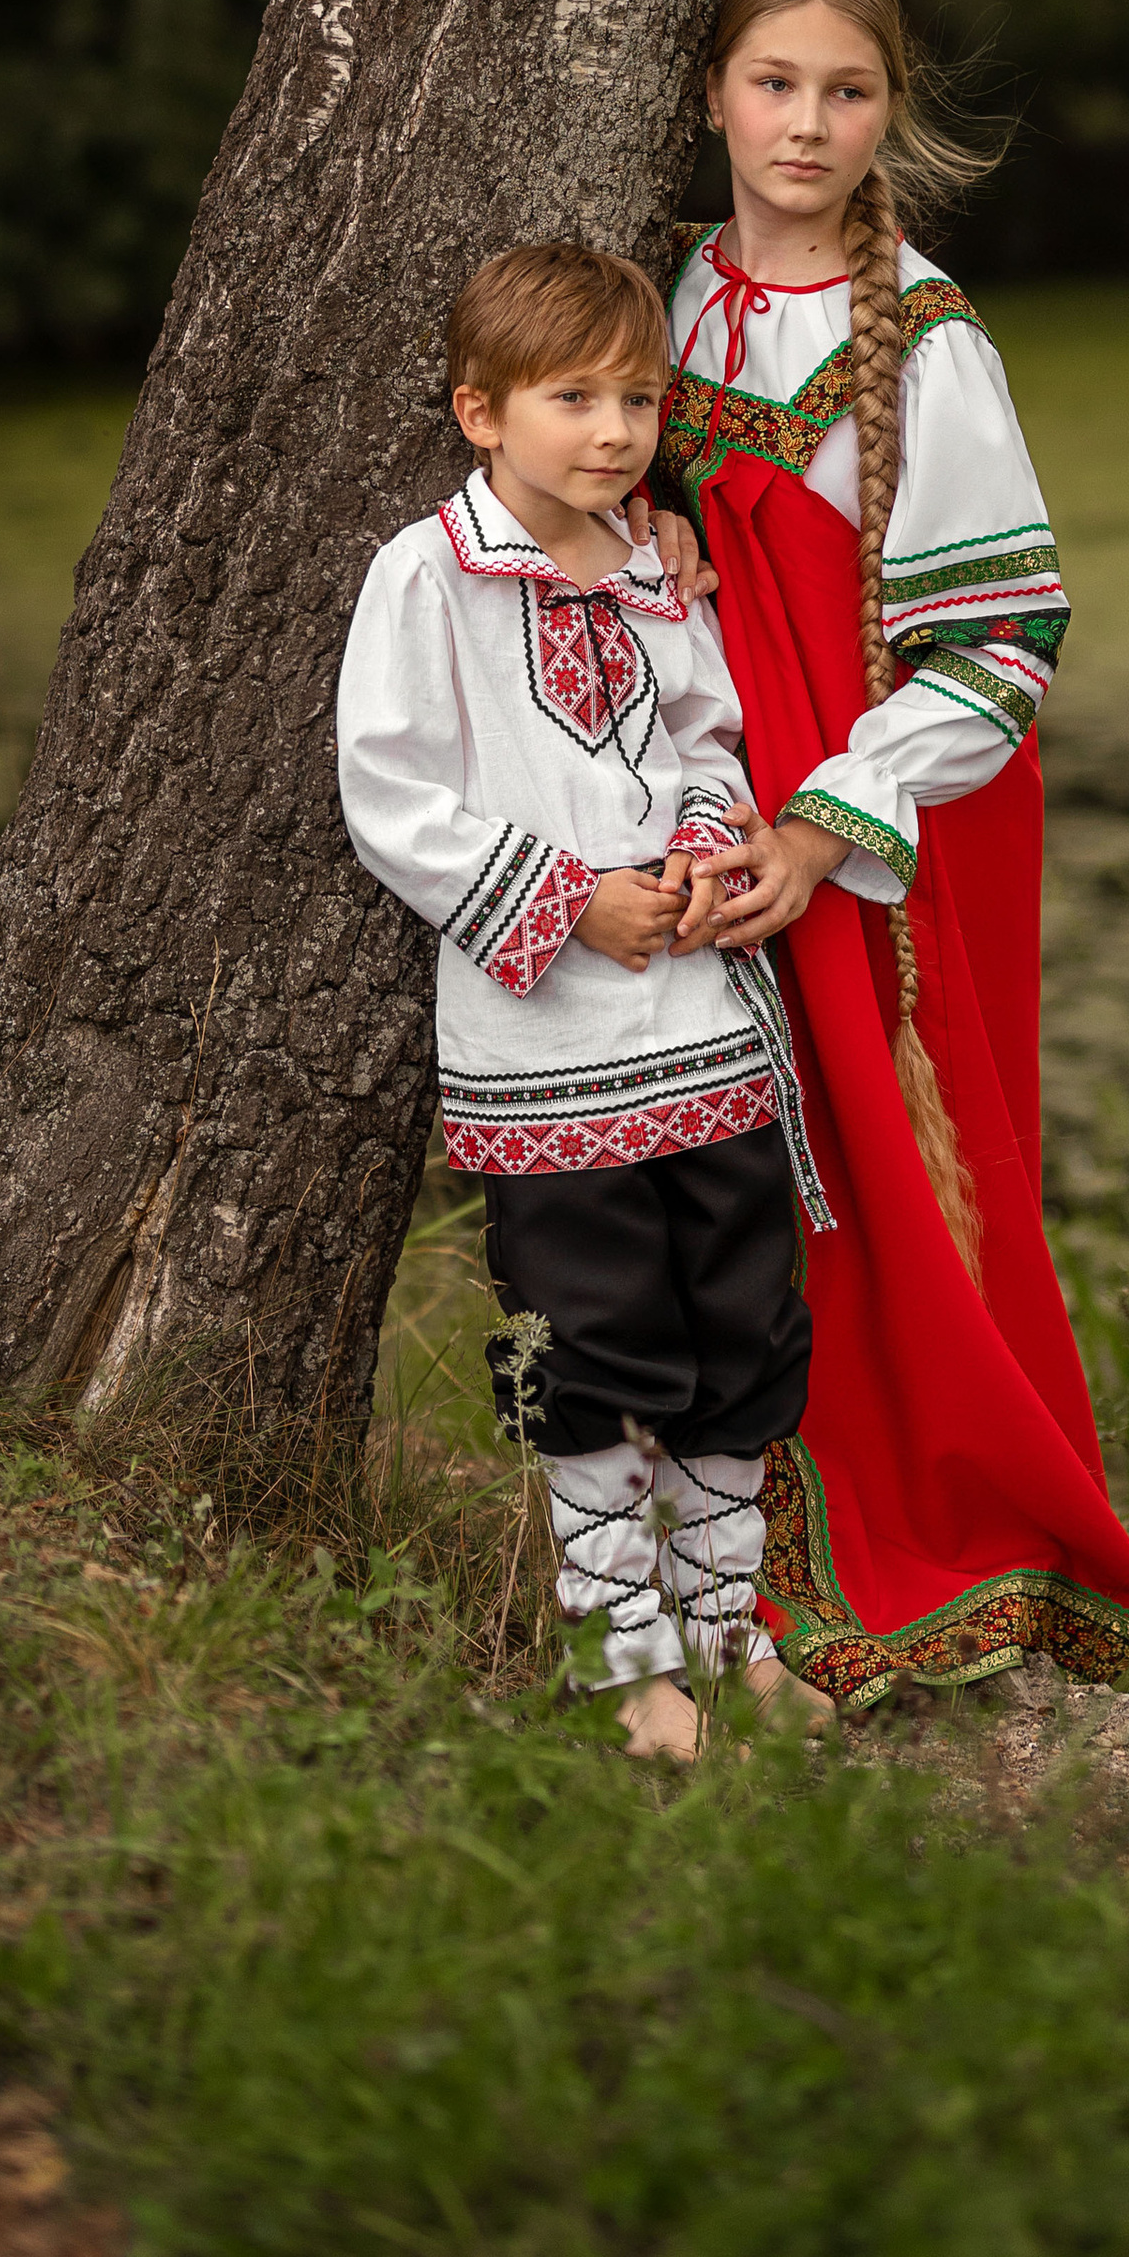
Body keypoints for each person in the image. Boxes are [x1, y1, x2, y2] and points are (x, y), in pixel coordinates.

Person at [657, 0, 1129, 1704]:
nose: (805, 124)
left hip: (849, 840)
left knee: (870, 1169)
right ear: (711, 88)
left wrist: (824, 828)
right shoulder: (656, 304)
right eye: (773, 82)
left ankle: (911, 1540)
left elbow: (1004, 643)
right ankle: (689, 1535)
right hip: (680, 815)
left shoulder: (926, 345)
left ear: (896, 112)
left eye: (848, 90)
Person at [335, 240, 833, 1761]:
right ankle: (627, 1664)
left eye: (638, 396)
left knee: (741, 1329)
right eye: (574, 398)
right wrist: (567, 899)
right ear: (481, 412)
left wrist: (697, 850)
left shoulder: (655, 566)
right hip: (545, 1045)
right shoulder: (427, 575)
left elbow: (704, 738)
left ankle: (728, 1631)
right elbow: (391, 792)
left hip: (703, 1033)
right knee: (597, 1344)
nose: (615, 430)